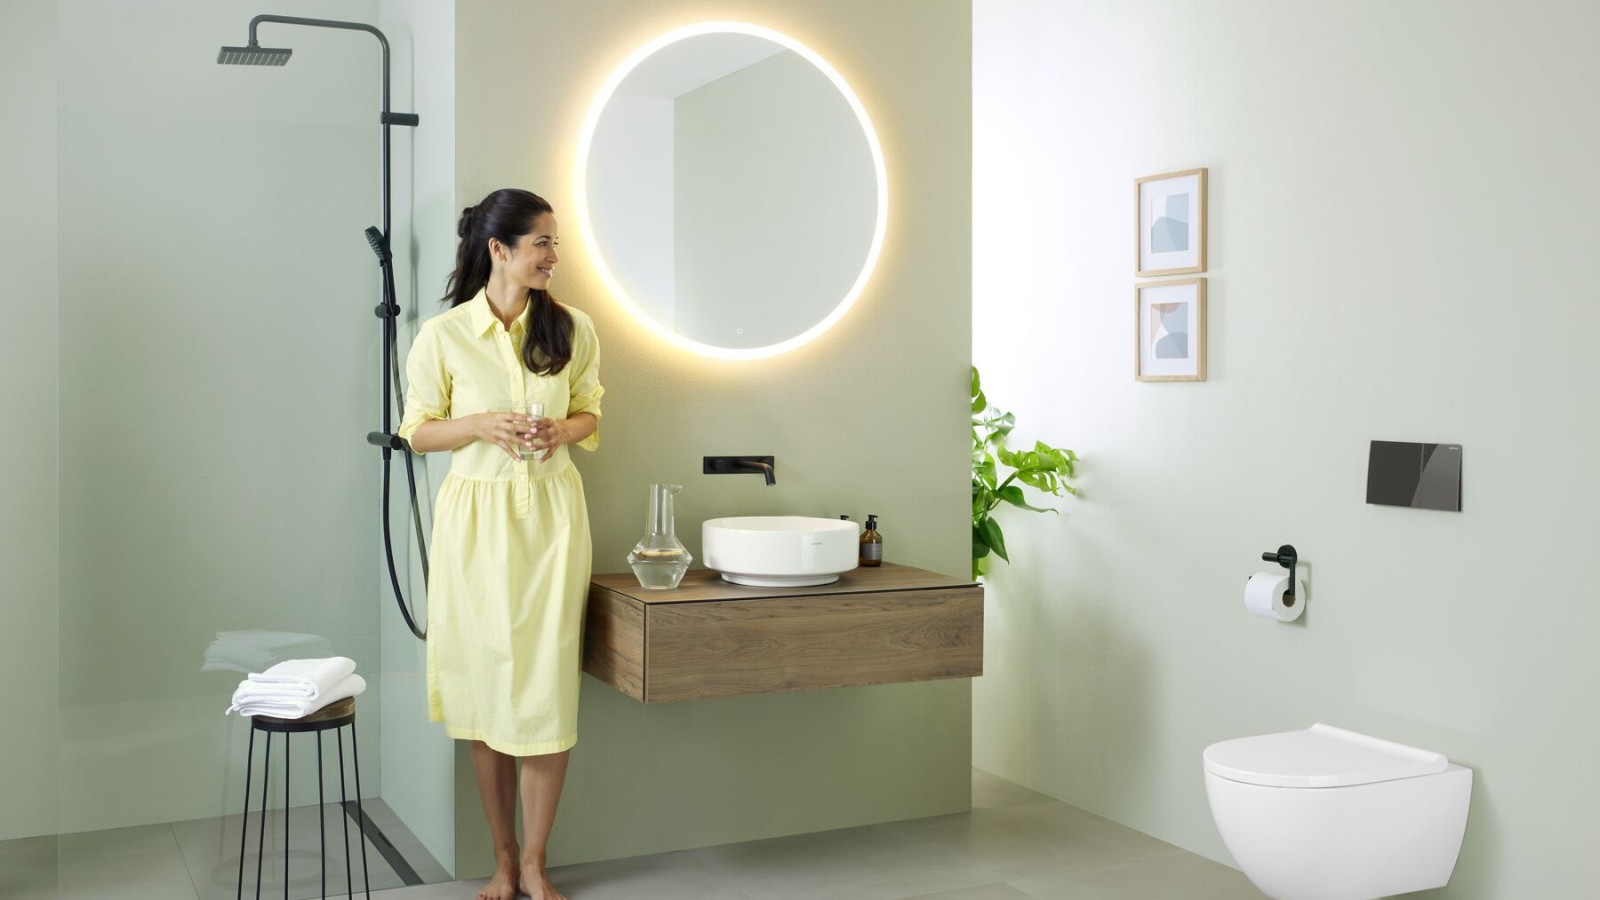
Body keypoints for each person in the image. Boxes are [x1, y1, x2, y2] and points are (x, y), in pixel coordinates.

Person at [398, 188, 602, 900]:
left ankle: (540, 862)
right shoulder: (443, 335)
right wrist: (481, 424)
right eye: (541, 242)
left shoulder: (574, 326)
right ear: (499, 250)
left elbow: (590, 412)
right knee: (485, 693)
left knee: (546, 695)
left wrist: (560, 431)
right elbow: (418, 431)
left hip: (551, 521)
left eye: (555, 244)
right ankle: (504, 859)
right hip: (475, 527)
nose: (553, 256)